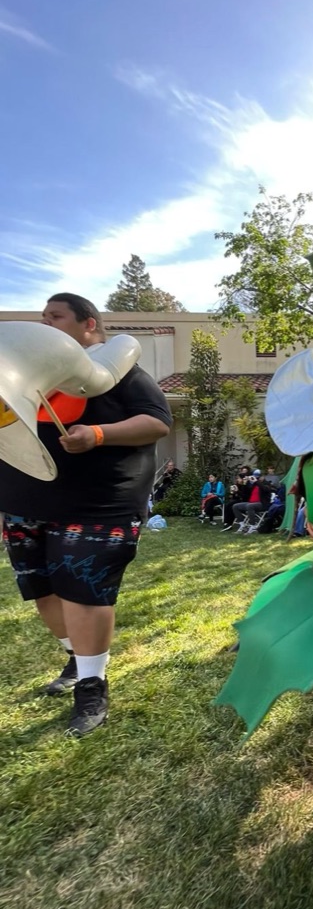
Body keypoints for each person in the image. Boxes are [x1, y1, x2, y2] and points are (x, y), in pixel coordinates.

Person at [0, 293, 171, 735]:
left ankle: (93, 685)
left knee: (83, 591)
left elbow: (156, 422)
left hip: (97, 504)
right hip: (24, 504)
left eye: (55, 317)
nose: (44, 324)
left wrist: (97, 433)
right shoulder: (20, 372)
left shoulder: (122, 372)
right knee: (42, 590)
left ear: (88, 325)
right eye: (42, 317)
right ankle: (77, 660)